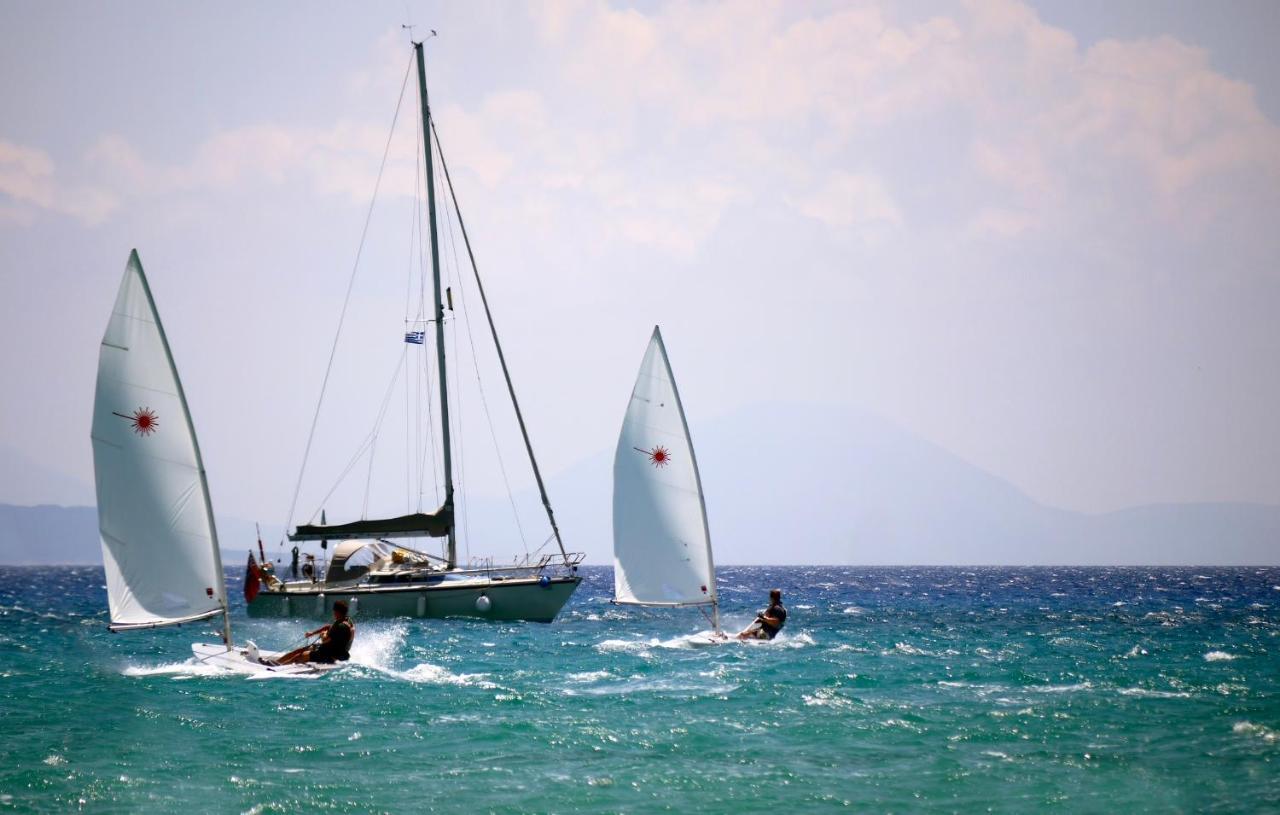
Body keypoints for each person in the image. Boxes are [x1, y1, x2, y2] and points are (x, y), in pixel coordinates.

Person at [273, 600, 355, 665]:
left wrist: (323, 634)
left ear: (336, 612)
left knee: (299, 656)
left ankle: (279, 668)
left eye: (334, 611)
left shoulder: (340, 626)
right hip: (329, 650)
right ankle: (276, 663)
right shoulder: (347, 620)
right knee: (300, 650)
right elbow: (328, 627)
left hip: (330, 656)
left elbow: (325, 640)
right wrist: (312, 633)